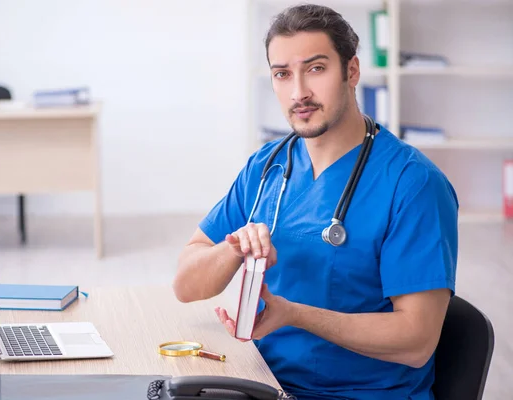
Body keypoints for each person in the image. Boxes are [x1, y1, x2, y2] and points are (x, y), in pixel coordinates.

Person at [172, 3, 458, 400]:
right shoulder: (267, 166)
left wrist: (295, 315)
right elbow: (186, 284)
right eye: (282, 74)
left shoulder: (413, 185)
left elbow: (416, 341)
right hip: (262, 382)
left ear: (351, 71)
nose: (299, 92)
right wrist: (233, 248)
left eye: (316, 68)